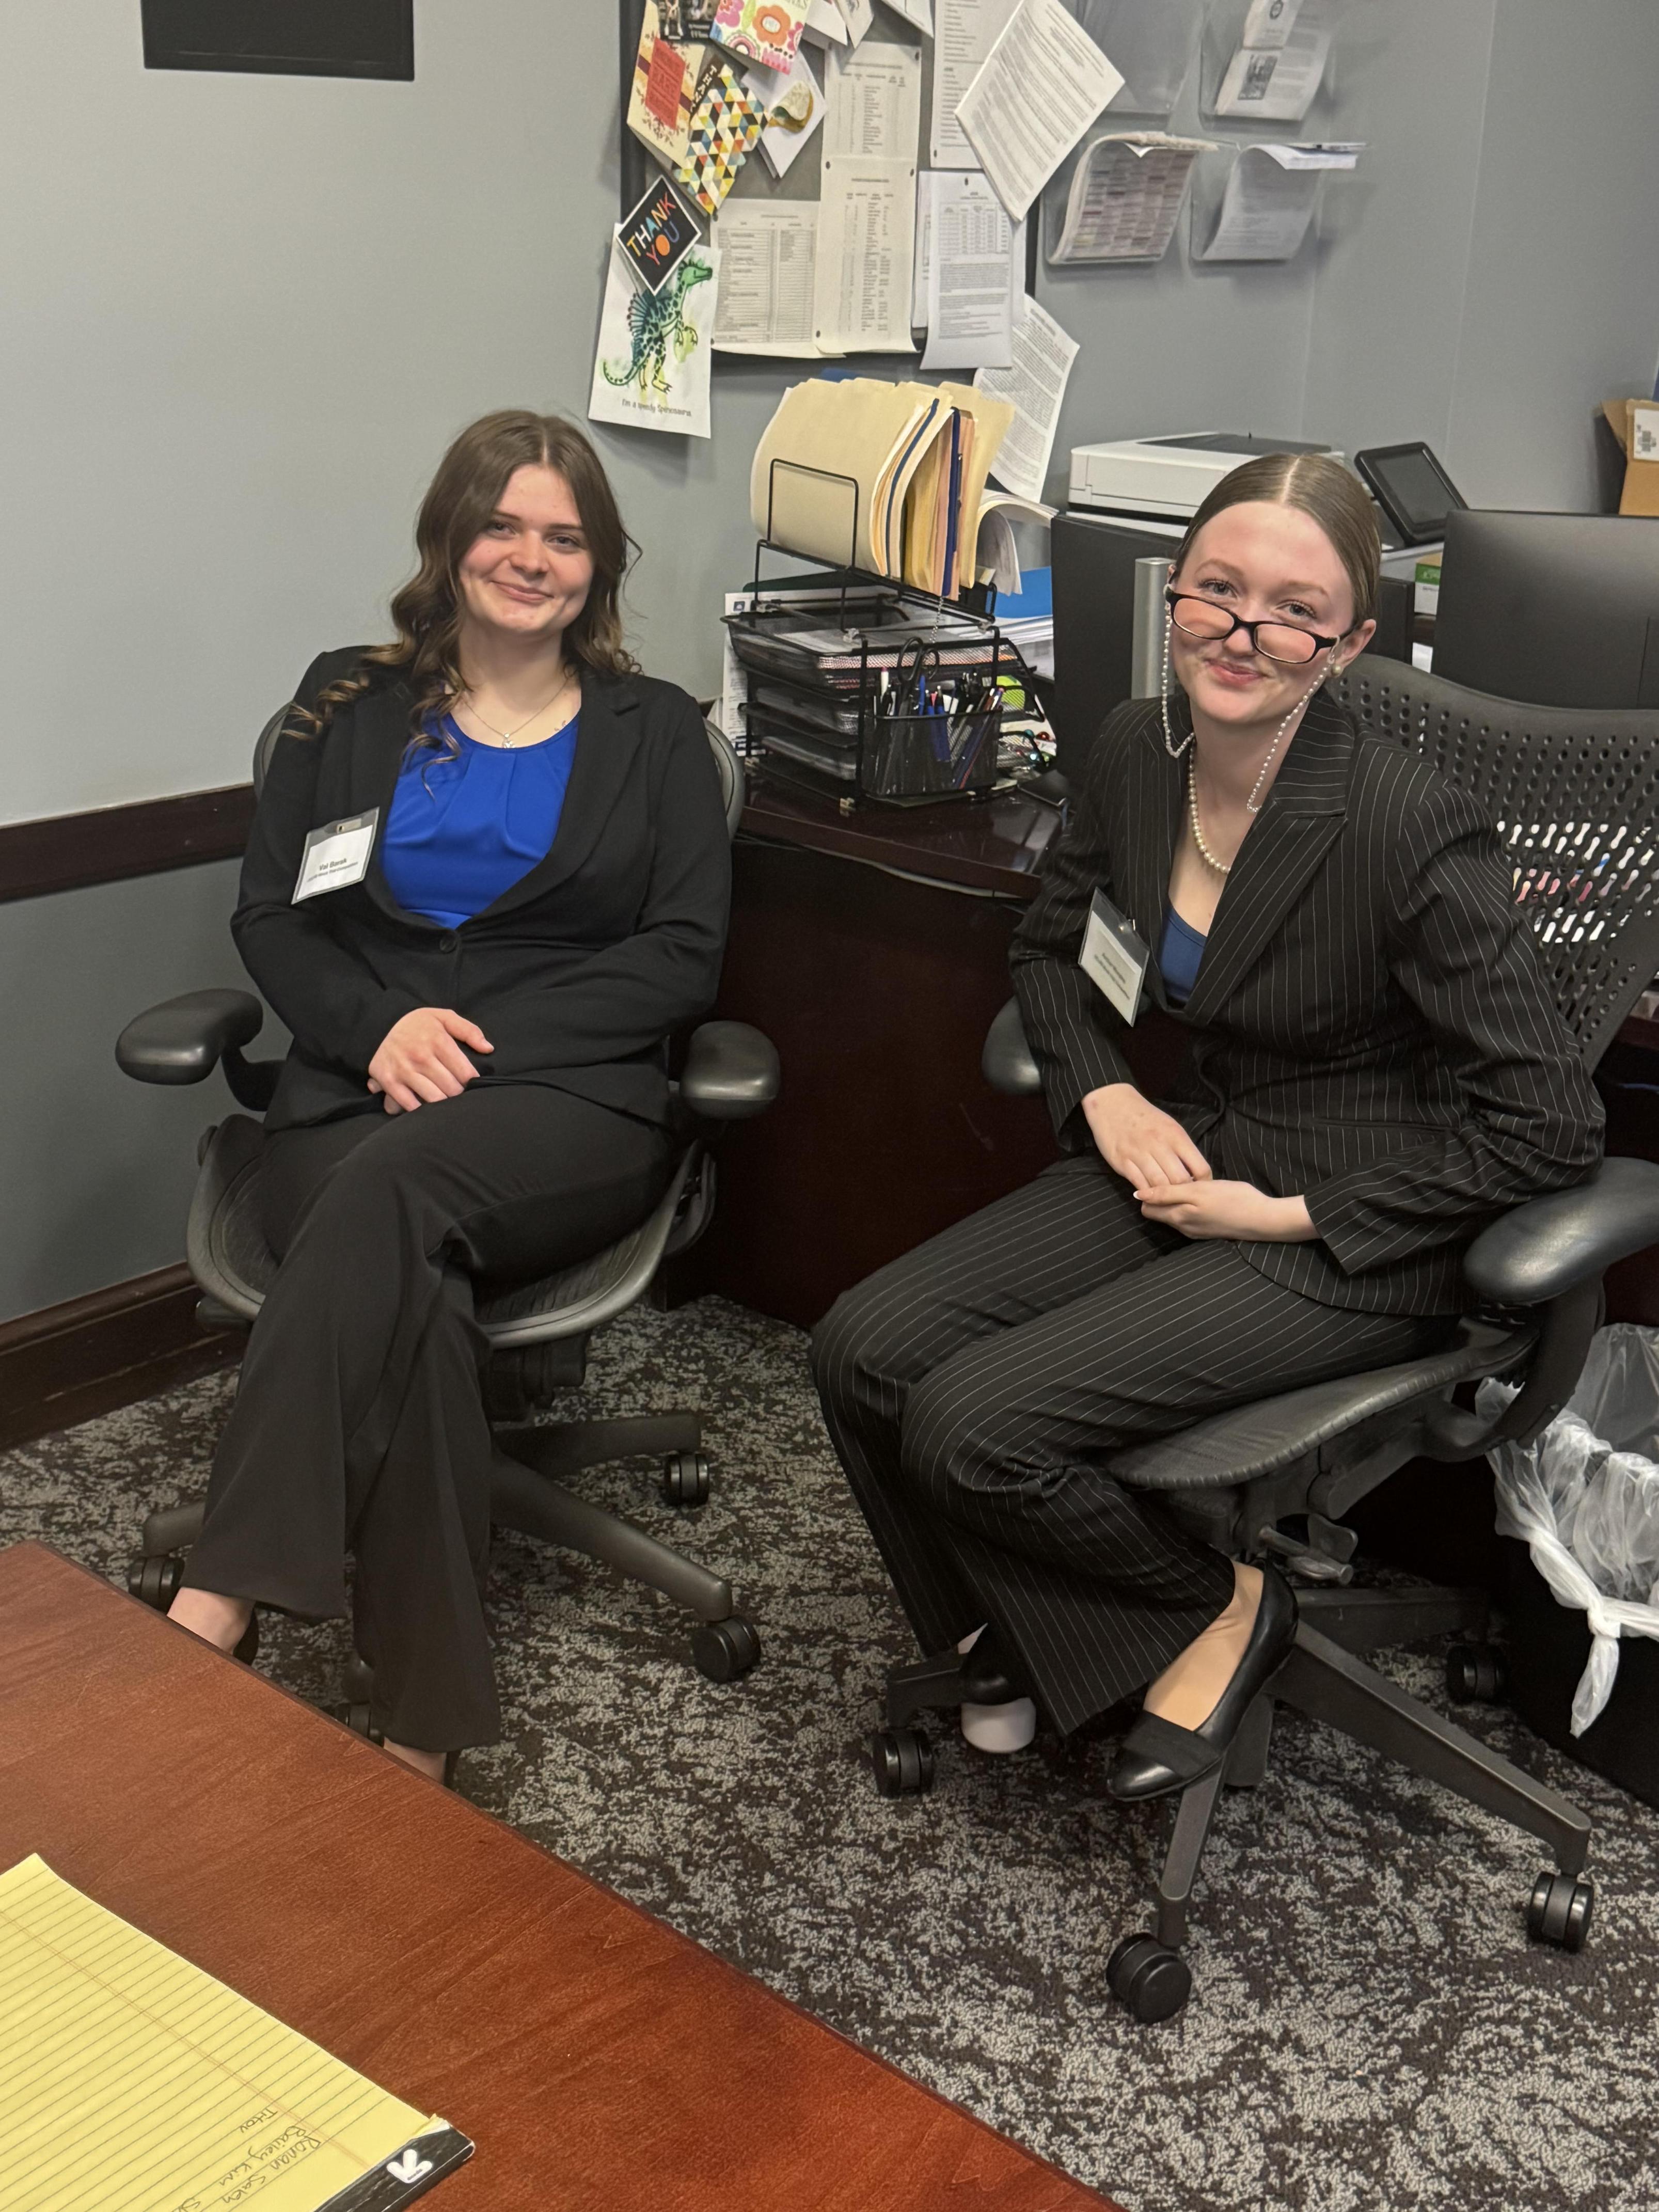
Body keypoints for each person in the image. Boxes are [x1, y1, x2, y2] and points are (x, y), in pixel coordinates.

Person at [812, 452, 1603, 1799]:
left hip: (1353, 1226)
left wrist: (1289, 1215)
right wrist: (1105, 1090)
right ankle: (1020, 1635)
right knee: (861, 1351)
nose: (1245, 631)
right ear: (1172, 594)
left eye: (1296, 609)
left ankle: (1222, 1601)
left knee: (972, 1427)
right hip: (1197, 1147)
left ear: (1351, 640)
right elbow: (1052, 946)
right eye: (1219, 590)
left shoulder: (1406, 823)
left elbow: (1548, 1126)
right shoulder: (1140, 747)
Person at [168, 410, 732, 1780]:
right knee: (415, 1298)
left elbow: (681, 955)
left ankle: (218, 1593)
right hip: (355, 1084)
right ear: (450, 537)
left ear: (598, 565)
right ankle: (423, 1726)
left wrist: (466, 1040)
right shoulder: (345, 703)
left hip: (564, 1101)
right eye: (502, 525)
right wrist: (381, 1030)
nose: (530, 558)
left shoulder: (659, 732)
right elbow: (275, 917)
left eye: (565, 537)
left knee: (395, 1195)